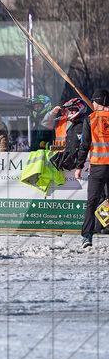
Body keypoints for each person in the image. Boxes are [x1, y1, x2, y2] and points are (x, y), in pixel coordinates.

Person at [75, 88, 109, 248]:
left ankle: (87, 236)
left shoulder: (91, 119)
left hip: (98, 167)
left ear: (98, 102)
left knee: (92, 202)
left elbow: (84, 145)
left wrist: (79, 166)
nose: (93, 104)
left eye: (94, 101)